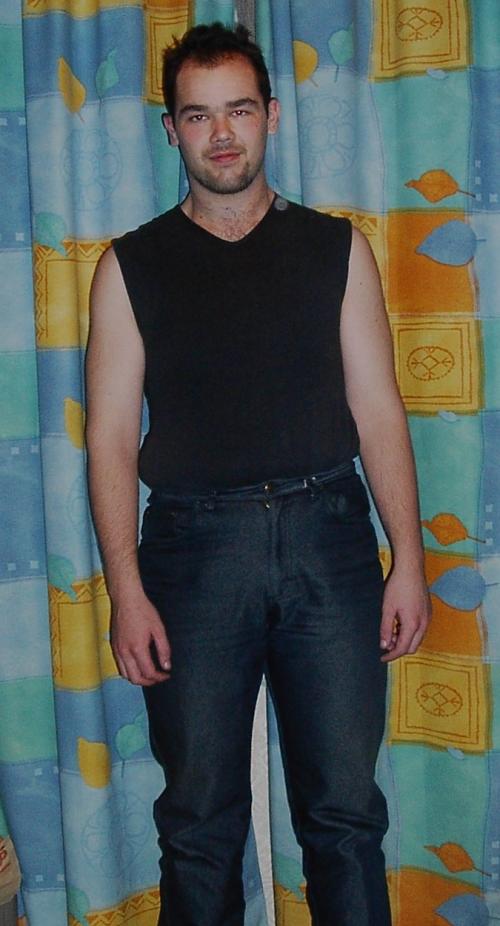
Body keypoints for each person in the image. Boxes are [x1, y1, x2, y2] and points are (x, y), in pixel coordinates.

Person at [85, 22, 431, 926]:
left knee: (346, 819)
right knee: (198, 826)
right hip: (193, 555)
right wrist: (126, 590)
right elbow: (111, 439)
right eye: (199, 116)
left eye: (238, 110)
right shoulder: (128, 268)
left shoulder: (337, 250)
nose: (222, 134)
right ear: (172, 131)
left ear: (271, 116)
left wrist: (410, 560)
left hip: (330, 546)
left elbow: (379, 409)